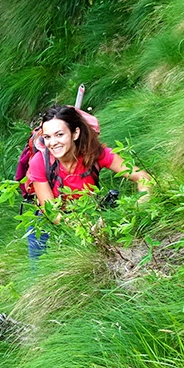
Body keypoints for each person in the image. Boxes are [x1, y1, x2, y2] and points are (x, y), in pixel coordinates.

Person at [26, 104, 152, 258]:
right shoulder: (40, 162)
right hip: (47, 226)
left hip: (88, 214)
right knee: (40, 272)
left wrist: (140, 205)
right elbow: (52, 213)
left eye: (59, 135)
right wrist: (84, 227)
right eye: (47, 137)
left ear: (75, 133)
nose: (53, 143)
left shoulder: (97, 154)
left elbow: (143, 177)